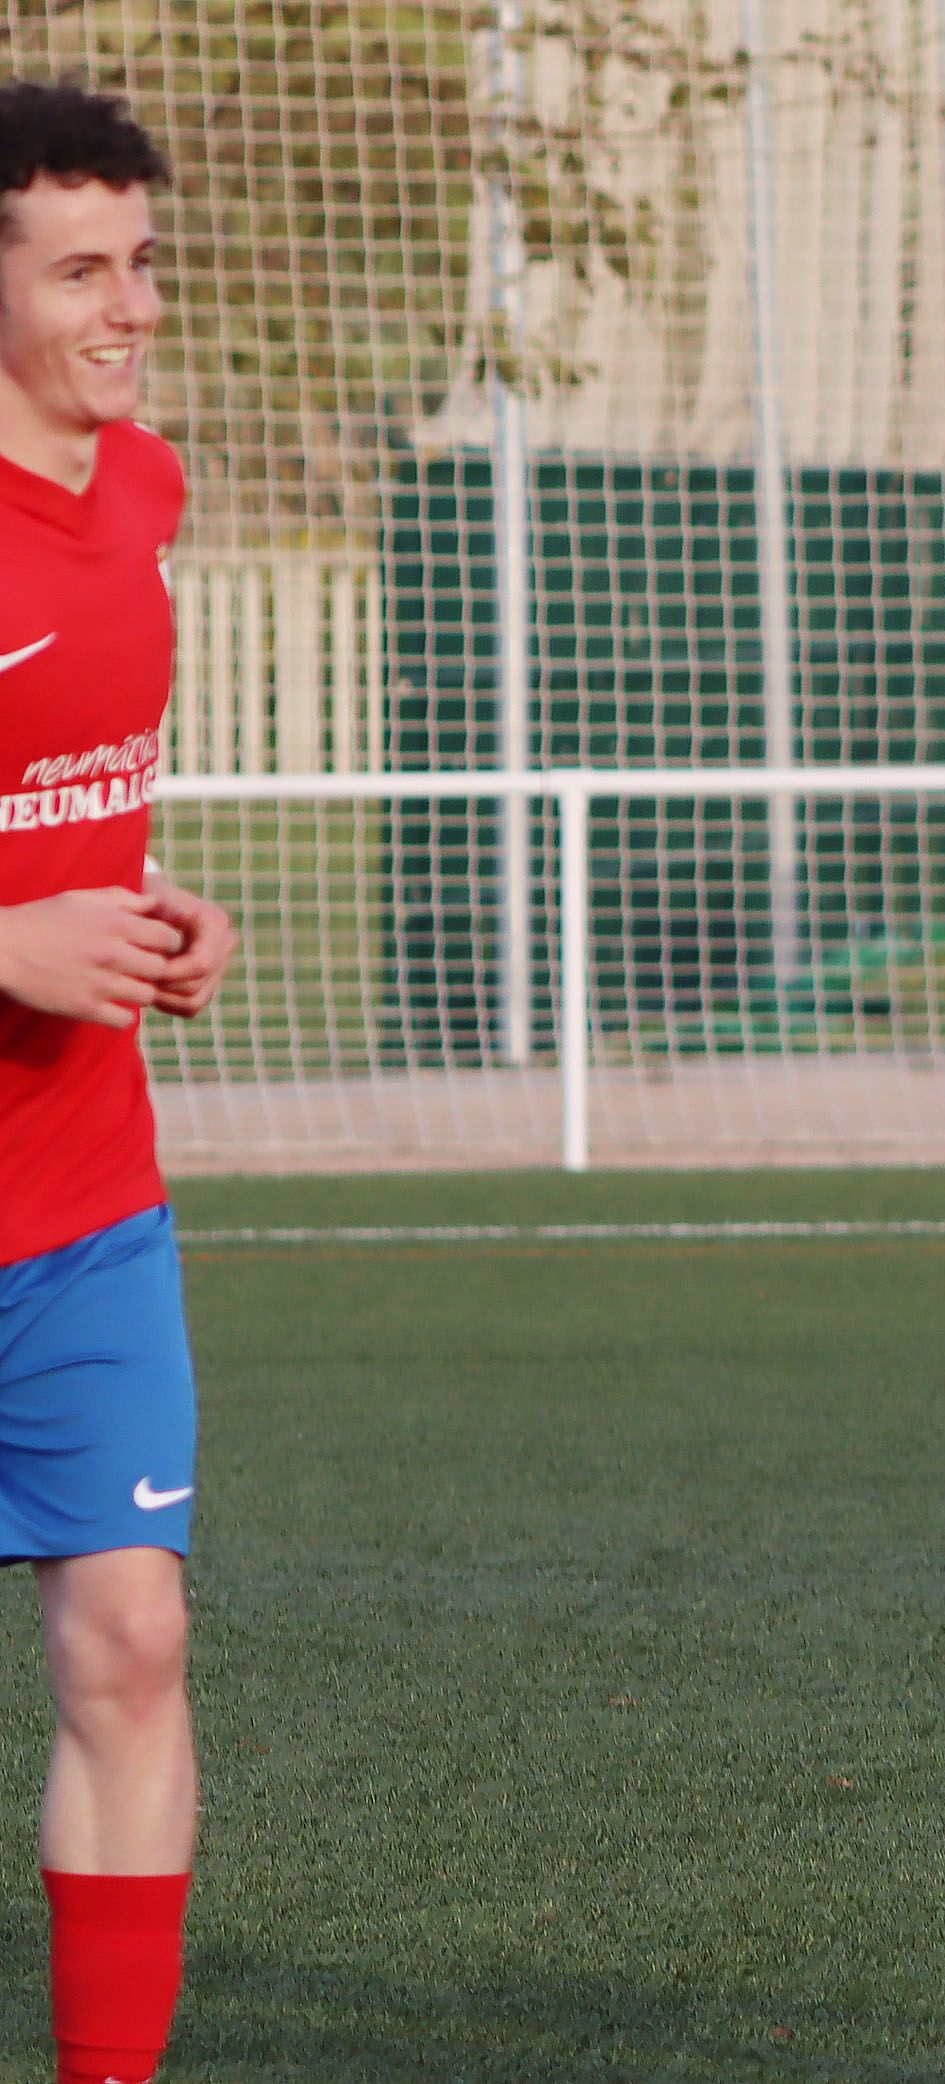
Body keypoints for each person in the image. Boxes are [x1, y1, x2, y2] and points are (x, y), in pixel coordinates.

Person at [0, 79, 240, 2084]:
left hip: (79, 1194)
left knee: (132, 1640)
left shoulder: (145, 492)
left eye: (139, 260)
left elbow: (66, 810)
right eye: (81, 268)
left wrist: (157, 909)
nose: (128, 303)